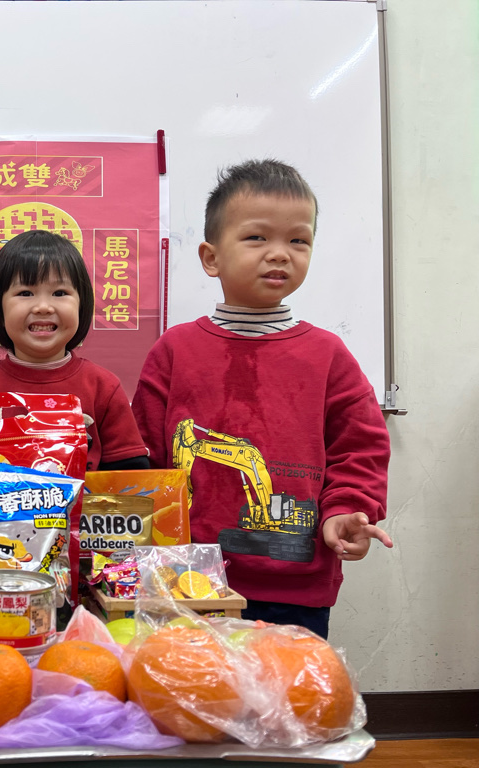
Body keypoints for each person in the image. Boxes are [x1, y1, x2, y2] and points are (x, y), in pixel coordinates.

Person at [132, 159, 393, 638]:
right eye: (257, 237)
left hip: (295, 585)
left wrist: (345, 509)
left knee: (284, 687)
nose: (280, 254)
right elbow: (143, 456)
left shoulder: (328, 355)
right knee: (189, 684)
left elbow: (361, 447)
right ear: (211, 258)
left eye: (298, 240)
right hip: (188, 581)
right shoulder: (174, 351)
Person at [0, 229, 149, 472]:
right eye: (25, 293)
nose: (43, 307)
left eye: (60, 293)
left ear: (82, 304)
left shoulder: (103, 387)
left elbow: (131, 474)